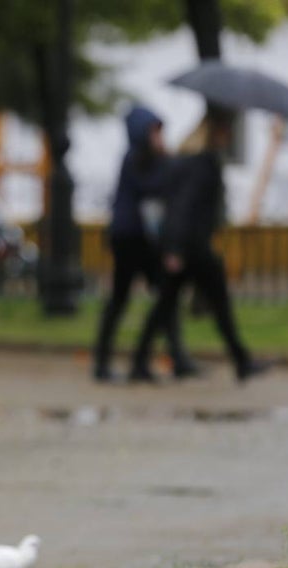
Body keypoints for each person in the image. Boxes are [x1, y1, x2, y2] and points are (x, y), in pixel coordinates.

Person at [130, 107, 269, 383]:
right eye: (225, 130)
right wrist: (176, 249)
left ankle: (139, 361)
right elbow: (184, 207)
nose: (229, 136)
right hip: (192, 248)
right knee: (216, 304)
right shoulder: (202, 164)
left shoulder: (185, 160)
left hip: (186, 245)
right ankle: (241, 361)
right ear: (214, 133)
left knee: (167, 305)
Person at [92, 105, 197, 382]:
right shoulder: (136, 158)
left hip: (142, 240)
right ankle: (105, 362)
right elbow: (154, 186)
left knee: (166, 295)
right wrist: (172, 162)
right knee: (123, 298)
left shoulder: (147, 158)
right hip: (130, 239)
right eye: (155, 132)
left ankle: (170, 356)